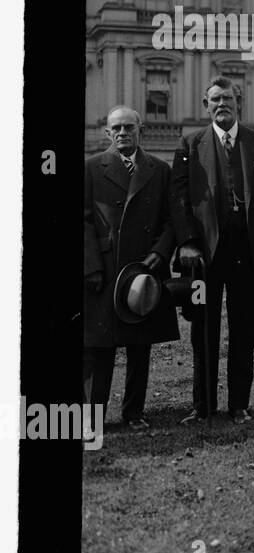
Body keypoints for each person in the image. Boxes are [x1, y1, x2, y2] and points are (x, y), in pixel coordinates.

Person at [170, 78, 254, 424]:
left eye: (229, 99)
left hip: (246, 254)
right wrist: (188, 242)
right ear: (206, 105)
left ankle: (239, 405)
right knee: (203, 330)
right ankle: (203, 406)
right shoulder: (191, 144)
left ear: (239, 104)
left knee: (244, 329)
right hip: (205, 257)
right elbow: (178, 200)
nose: (222, 104)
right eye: (215, 99)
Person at [83, 106, 179, 434]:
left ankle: (134, 412)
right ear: (107, 134)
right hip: (106, 271)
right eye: (116, 129)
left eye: (129, 127)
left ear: (141, 130)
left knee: (141, 343)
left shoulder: (159, 170)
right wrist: (92, 267)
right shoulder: (92, 168)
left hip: (143, 268)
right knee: (100, 347)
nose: (123, 133)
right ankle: (92, 418)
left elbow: (171, 220)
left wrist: (160, 252)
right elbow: (83, 223)